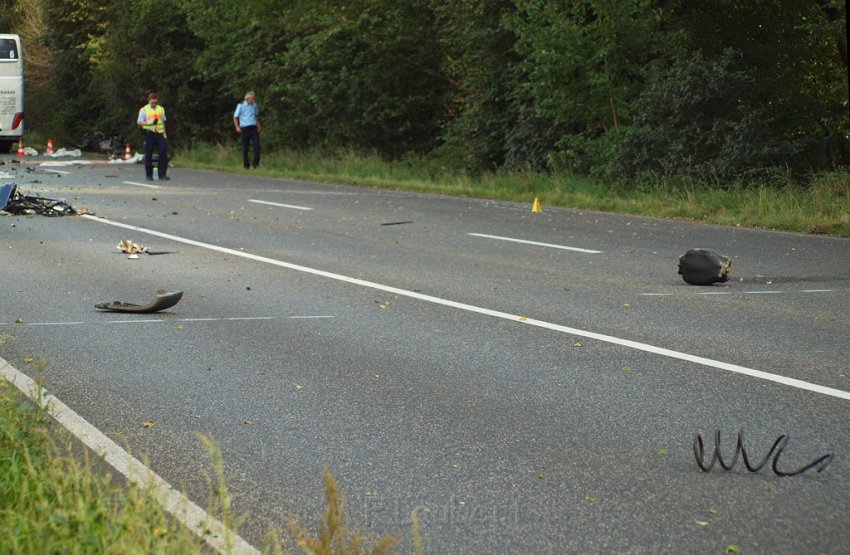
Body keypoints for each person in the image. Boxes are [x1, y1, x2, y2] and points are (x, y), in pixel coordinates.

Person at [136, 93, 169, 180]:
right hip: (149, 133)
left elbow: (163, 121)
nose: (154, 104)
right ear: (149, 101)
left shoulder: (161, 109)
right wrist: (148, 122)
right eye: (152, 103)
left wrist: (165, 133)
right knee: (148, 154)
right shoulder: (144, 109)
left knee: (163, 153)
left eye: (155, 102)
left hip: (160, 133)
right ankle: (149, 175)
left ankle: (162, 174)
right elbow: (139, 122)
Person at [233, 91, 261, 169]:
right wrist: (237, 127)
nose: (253, 101)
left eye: (254, 99)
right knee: (245, 148)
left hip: (253, 128)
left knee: (257, 146)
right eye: (252, 99)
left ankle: (255, 164)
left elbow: (256, 115)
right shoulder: (240, 105)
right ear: (248, 99)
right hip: (245, 128)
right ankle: (246, 165)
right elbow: (235, 117)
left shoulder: (254, 105)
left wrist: (258, 124)